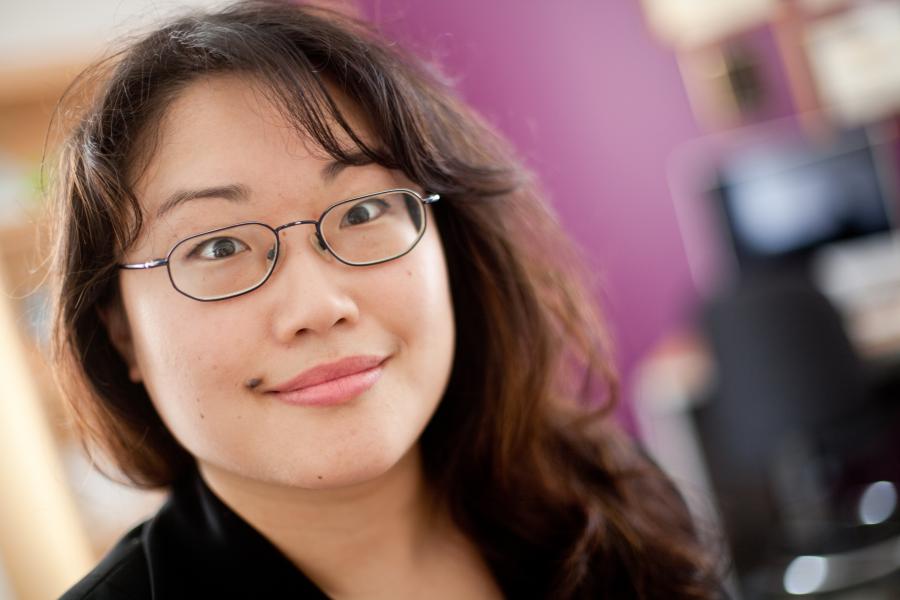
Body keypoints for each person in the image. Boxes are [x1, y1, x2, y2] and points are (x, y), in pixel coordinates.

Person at [48, 1, 721, 598]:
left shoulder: (609, 495)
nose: (318, 306)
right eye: (219, 248)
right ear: (121, 333)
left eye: (364, 209)